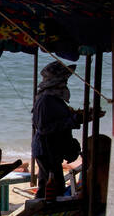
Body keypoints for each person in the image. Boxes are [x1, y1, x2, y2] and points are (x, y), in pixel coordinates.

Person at [32, 61, 101, 202]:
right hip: (46, 149)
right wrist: (75, 120)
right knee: (51, 187)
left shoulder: (53, 99)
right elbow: (44, 127)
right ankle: (42, 215)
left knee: (52, 185)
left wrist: (77, 117)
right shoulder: (46, 100)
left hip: (52, 149)